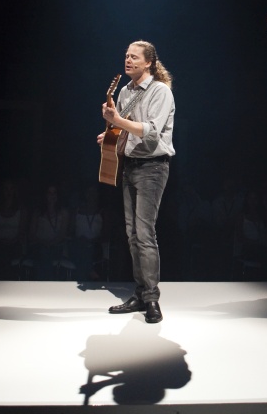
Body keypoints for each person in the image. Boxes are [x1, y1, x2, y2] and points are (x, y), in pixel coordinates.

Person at [97, 40, 175, 324]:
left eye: (134, 57)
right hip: (129, 166)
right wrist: (110, 134)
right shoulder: (125, 92)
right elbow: (124, 128)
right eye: (126, 56)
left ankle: (152, 298)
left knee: (145, 233)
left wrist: (118, 121)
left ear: (148, 62)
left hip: (153, 167)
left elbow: (151, 132)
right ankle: (141, 294)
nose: (128, 60)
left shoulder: (160, 91)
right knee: (132, 234)